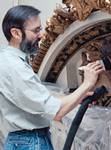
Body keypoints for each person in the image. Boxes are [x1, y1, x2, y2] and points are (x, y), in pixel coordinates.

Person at [0, 5, 104, 149]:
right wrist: (87, 83)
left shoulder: (8, 61)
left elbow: (40, 101)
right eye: (36, 30)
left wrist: (77, 97)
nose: (41, 35)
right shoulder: (15, 68)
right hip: (31, 142)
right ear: (16, 33)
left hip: (23, 141)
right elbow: (57, 112)